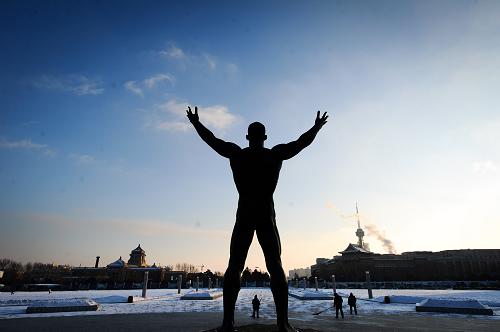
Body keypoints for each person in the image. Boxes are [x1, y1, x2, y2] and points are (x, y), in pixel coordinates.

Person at [187, 106, 328, 332]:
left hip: (244, 213)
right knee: (275, 265)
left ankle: (227, 323)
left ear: (247, 137)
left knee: (235, 266)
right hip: (265, 213)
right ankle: (283, 324)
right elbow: (301, 143)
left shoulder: (237, 154)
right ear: (264, 137)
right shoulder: (274, 154)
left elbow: (212, 140)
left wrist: (196, 123)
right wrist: (317, 127)